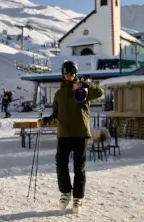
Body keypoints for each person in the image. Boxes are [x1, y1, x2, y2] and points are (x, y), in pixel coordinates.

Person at [38, 61, 103, 213]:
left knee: (79, 168)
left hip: (81, 134)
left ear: (76, 73)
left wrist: (84, 85)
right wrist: (45, 121)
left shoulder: (83, 90)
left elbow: (100, 91)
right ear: (63, 74)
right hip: (64, 134)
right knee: (61, 164)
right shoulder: (59, 94)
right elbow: (55, 114)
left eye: (72, 73)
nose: (70, 76)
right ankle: (66, 192)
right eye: (67, 73)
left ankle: (78, 198)